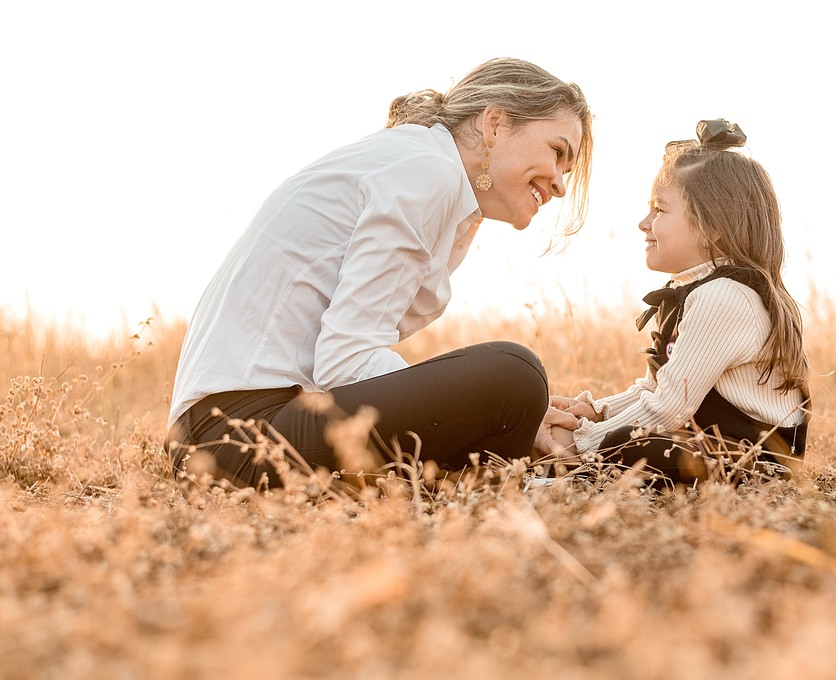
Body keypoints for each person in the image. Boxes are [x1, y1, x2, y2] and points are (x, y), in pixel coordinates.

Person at [167, 57, 591, 490]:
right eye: (557, 153)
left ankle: (494, 478)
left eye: (567, 170)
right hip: (237, 437)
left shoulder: (421, 165)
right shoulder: (427, 171)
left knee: (510, 394)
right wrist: (497, 406)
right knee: (515, 374)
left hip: (222, 437)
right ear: (495, 124)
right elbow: (347, 358)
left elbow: (346, 358)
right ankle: (509, 476)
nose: (560, 184)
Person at [547, 119, 810, 485]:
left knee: (632, 445)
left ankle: (568, 480)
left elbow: (668, 408)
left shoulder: (723, 297)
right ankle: (575, 471)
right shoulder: (698, 289)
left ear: (712, 226)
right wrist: (595, 411)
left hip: (752, 465)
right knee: (611, 438)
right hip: (717, 449)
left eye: (659, 210)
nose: (643, 222)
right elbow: (659, 388)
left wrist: (584, 442)